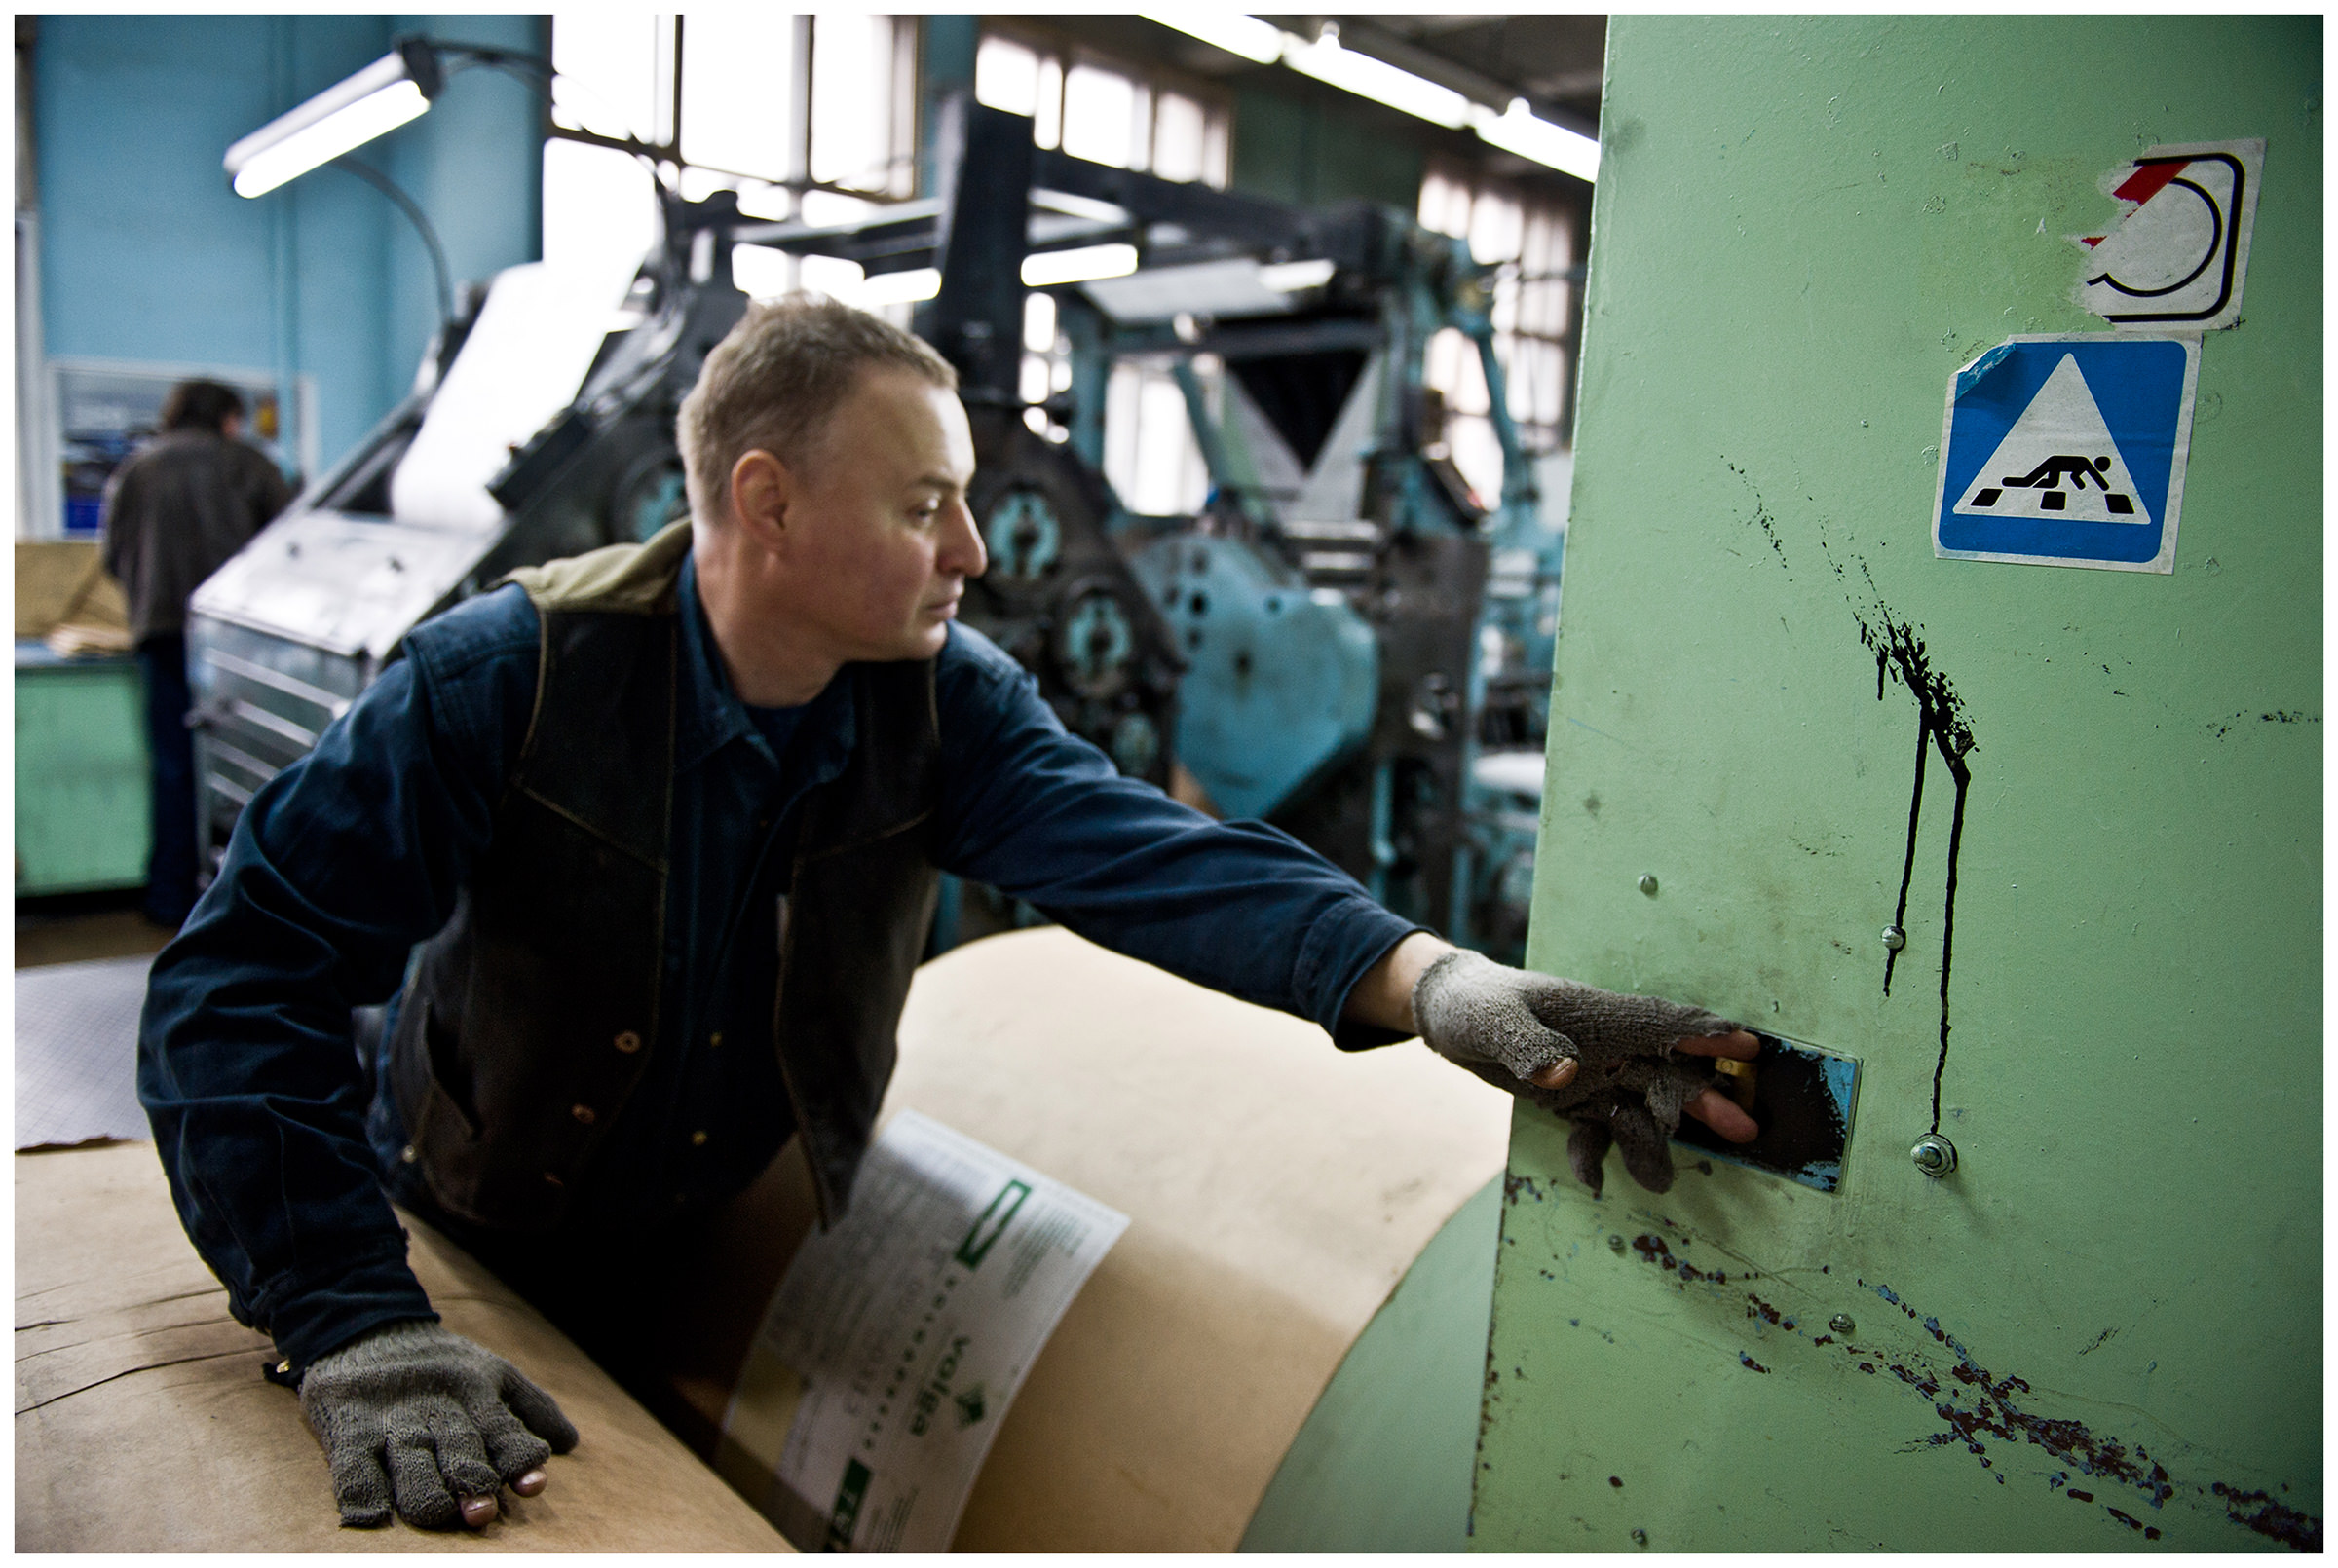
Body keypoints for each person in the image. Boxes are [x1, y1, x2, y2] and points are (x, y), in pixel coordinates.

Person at [136, 297, 1760, 1534]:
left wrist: (1432, 979)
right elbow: (239, 983)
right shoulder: (508, 680)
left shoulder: (943, 706)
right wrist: (357, 1324)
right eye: (926, 504)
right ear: (766, 505)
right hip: (469, 1221)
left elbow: (1142, 853)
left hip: (707, 1230)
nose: (975, 551)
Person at [100, 378, 294, 926]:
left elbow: (113, 556)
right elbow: (290, 551)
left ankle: (169, 899)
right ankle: (245, 901)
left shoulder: (136, 471)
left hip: (159, 631)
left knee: (173, 767)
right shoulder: (249, 466)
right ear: (228, 418)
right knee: (251, 768)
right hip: (240, 643)